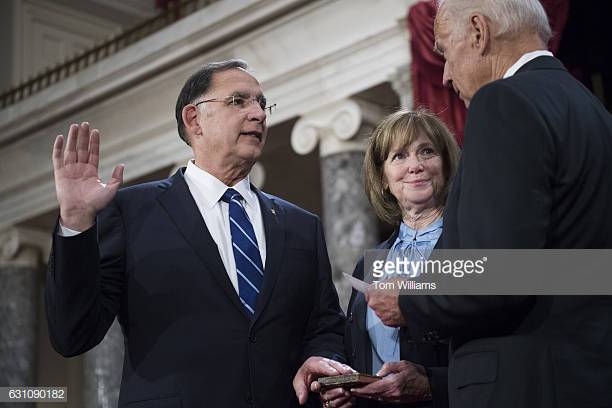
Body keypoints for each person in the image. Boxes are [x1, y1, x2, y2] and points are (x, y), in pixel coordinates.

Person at [45, 59, 354, 408]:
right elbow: (73, 334)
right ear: (194, 120)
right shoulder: (133, 211)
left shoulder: (301, 225)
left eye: (262, 103)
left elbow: (325, 326)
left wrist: (321, 360)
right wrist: (74, 221)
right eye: (239, 101)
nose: (259, 114)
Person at [366, 1, 612, 408]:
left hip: (527, 384)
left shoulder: (504, 102)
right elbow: (586, 268)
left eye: (445, 51)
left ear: (479, 32)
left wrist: (409, 298)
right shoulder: (594, 112)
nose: (444, 73)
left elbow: (497, 271)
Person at [315, 110, 460, 408]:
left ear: (445, 166)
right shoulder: (368, 264)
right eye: (399, 156)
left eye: (427, 151)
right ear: (382, 179)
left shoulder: (469, 244)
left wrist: (432, 385)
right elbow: (359, 352)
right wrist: (345, 386)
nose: (415, 166)